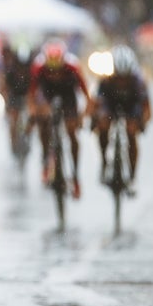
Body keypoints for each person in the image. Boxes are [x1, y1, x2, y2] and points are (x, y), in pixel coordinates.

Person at [28, 38, 93, 199]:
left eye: (58, 70)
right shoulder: (39, 67)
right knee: (43, 122)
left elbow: (87, 96)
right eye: (52, 70)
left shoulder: (73, 67)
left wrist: (83, 116)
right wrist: (34, 112)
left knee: (72, 132)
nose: (55, 74)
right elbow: (31, 95)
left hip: (68, 96)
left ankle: (75, 176)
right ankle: (45, 160)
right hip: (47, 95)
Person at [93, 44, 151, 196]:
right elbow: (96, 103)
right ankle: (105, 161)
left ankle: (132, 175)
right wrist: (95, 119)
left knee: (132, 132)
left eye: (125, 78)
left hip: (131, 106)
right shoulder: (105, 79)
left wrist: (142, 122)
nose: (122, 81)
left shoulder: (139, 81)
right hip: (110, 104)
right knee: (103, 125)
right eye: (119, 77)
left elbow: (146, 108)